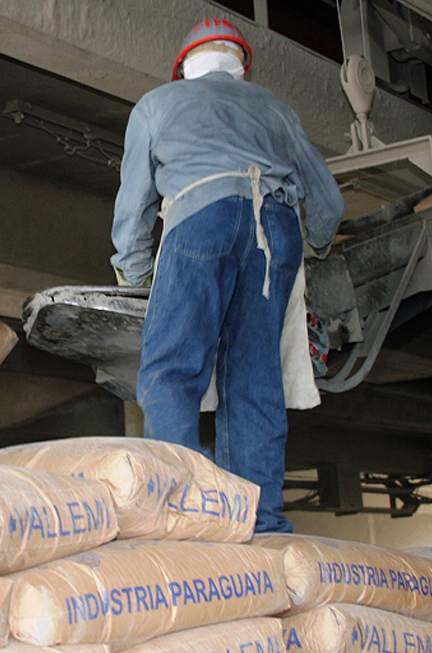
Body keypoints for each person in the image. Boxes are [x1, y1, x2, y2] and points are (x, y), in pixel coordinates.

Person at [111, 19, 345, 533]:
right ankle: (259, 523)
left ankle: (178, 513)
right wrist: (312, 245)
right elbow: (328, 203)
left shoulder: (157, 103)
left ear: (184, 69)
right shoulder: (278, 109)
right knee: (255, 382)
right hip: (276, 231)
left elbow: (132, 211)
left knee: (172, 372)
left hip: (202, 219)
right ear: (241, 68)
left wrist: (137, 277)